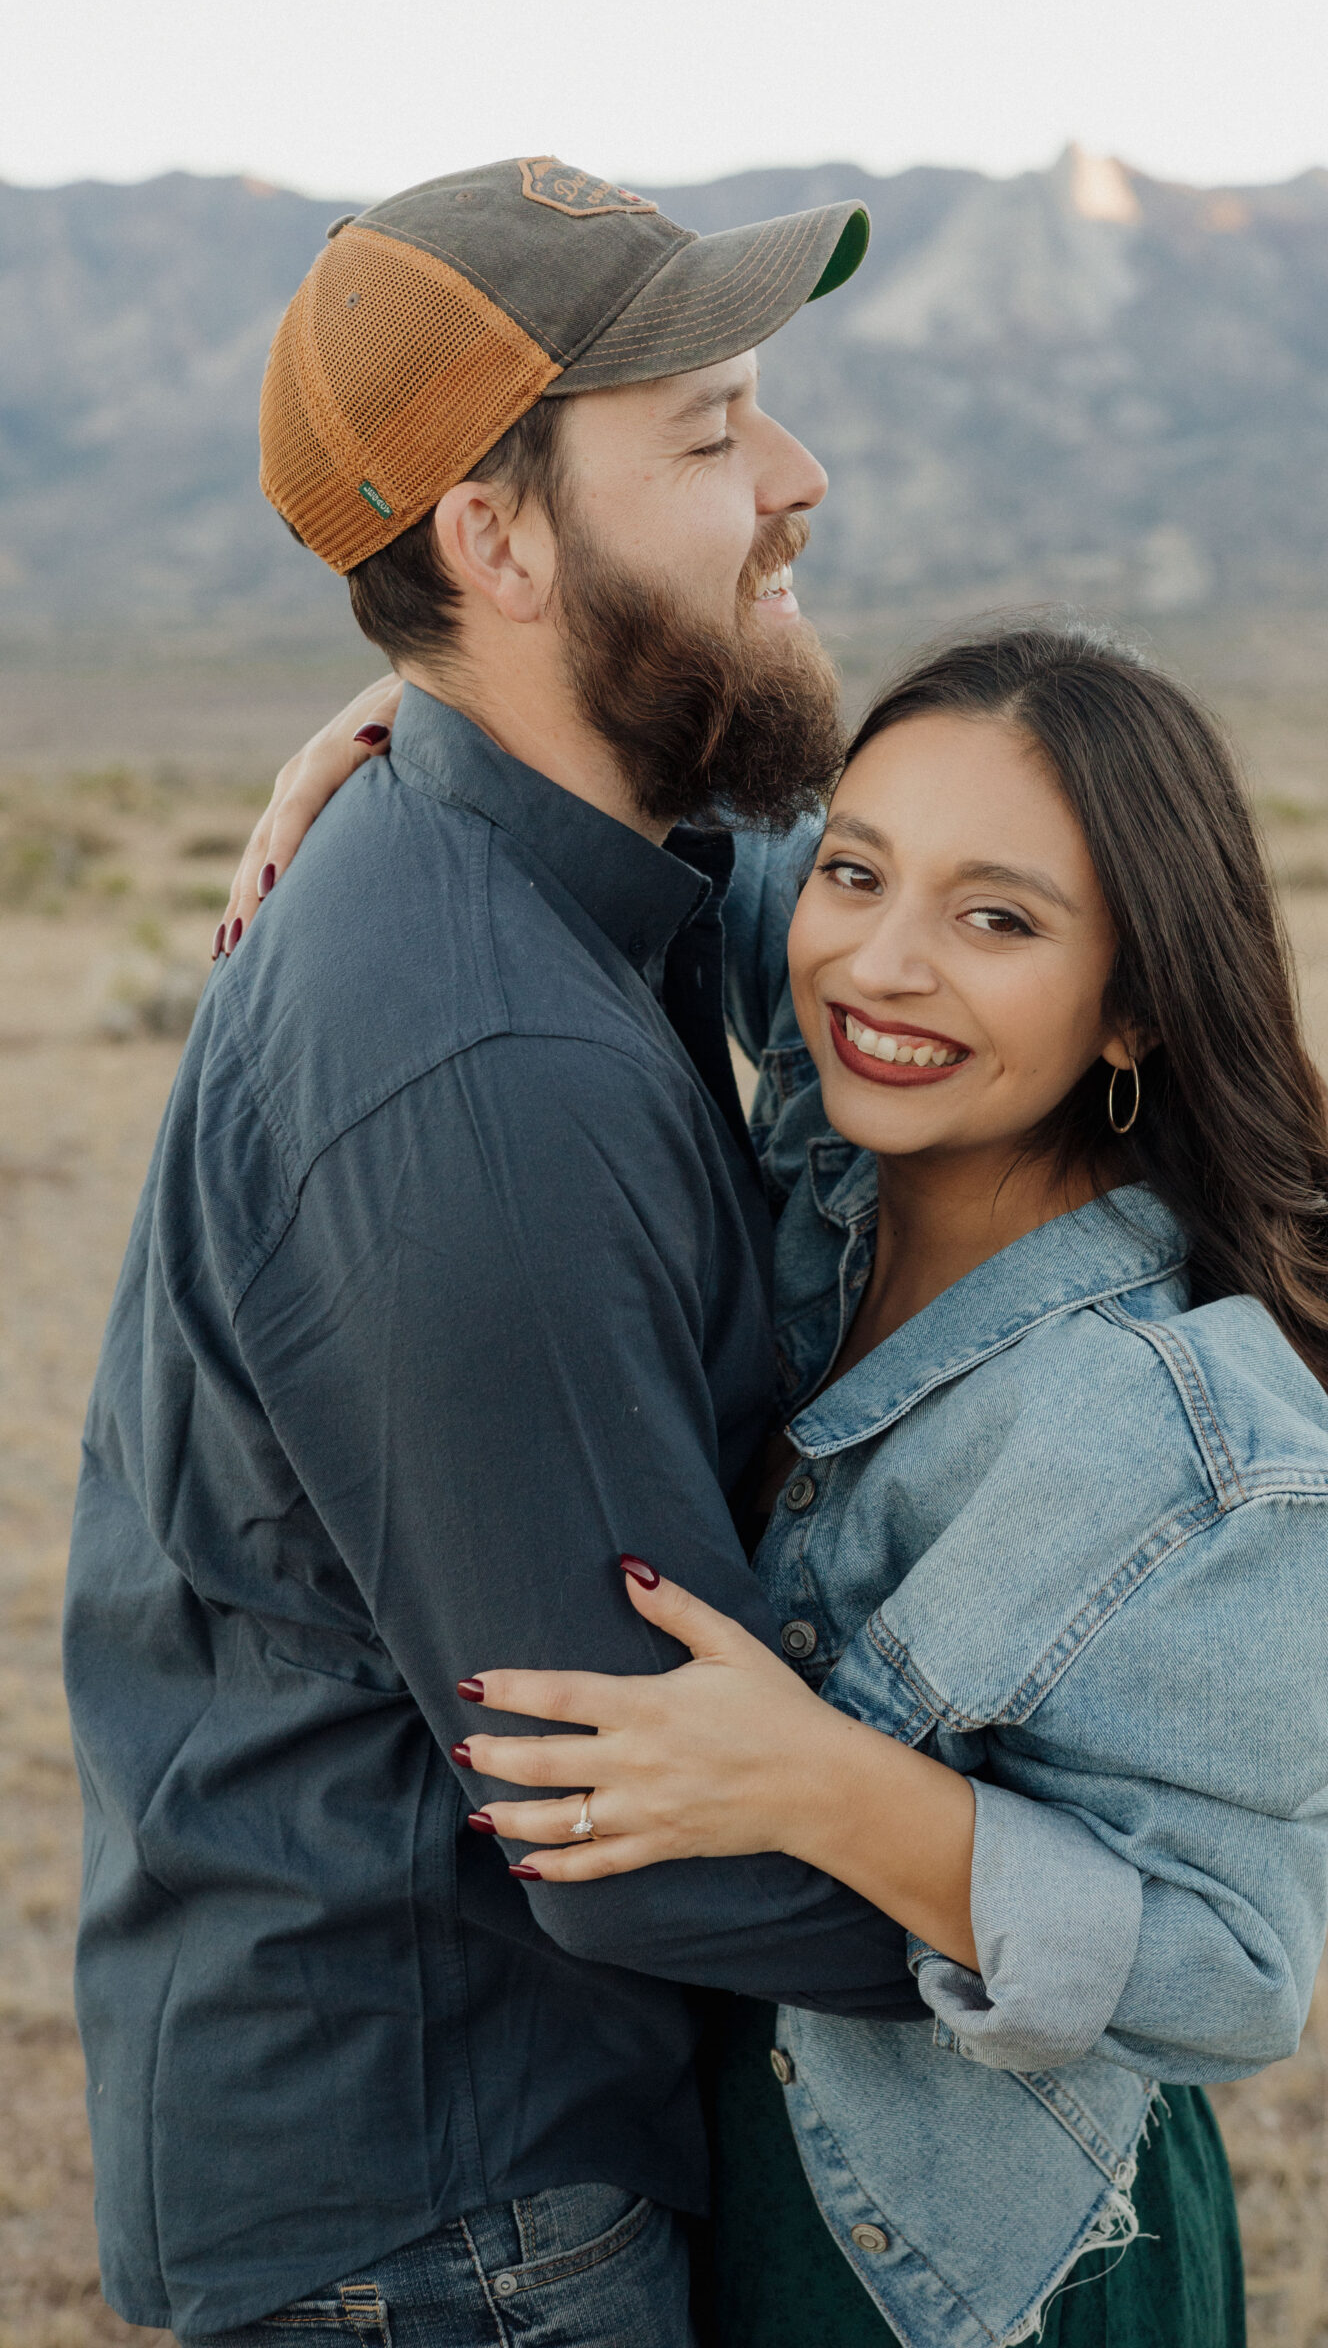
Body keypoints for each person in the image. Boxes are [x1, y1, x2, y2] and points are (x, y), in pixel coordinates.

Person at [240, 621, 1328, 2348]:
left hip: (974, 2267)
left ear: (1140, 1003)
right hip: (711, 2154)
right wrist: (431, 715)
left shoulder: (1208, 1452)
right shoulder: (840, 1125)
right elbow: (678, 815)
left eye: (999, 921)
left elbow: (1236, 1974)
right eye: (860, 876)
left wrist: (821, 1786)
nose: (882, 966)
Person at [63, 156, 923, 2348]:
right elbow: (644, 1812)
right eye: (714, 432)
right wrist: (1114, 1906)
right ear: (497, 535)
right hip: (449, 2224)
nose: (797, 479)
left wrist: (383, 707)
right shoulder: (483, 1060)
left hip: (451, 2163)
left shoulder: (550, 857)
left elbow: (852, 875)